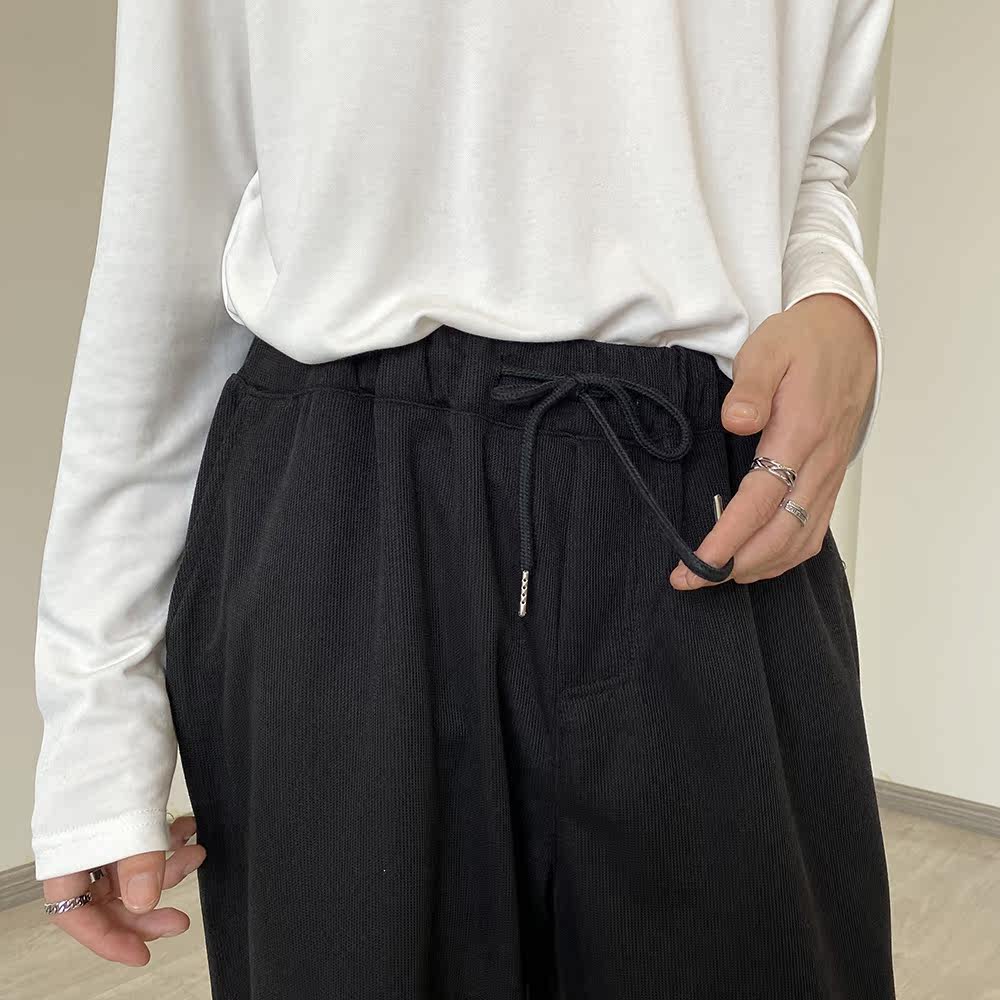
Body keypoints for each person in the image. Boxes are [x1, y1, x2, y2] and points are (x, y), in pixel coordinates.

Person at [31, 0, 896, 996]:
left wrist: (836, 297)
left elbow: (812, 156)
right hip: (347, 511)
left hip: (700, 491)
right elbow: (173, 201)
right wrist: (95, 699)